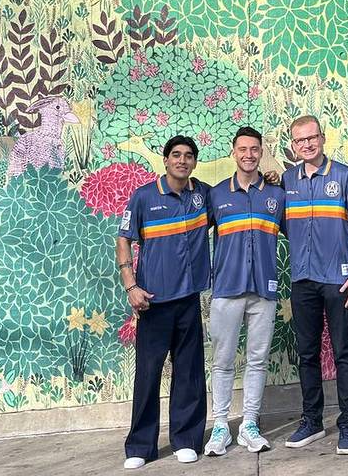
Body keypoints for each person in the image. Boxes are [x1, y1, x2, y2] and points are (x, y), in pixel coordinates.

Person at [116, 135, 211, 470]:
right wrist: (131, 287)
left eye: (188, 156)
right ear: (165, 159)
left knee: (189, 372)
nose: (182, 160)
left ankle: (186, 439)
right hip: (152, 302)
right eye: (176, 155)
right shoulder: (144, 197)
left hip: (188, 299)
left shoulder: (202, 195)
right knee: (148, 374)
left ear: (194, 162)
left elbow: (235, 199)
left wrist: (268, 178)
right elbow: (123, 239)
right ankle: (141, 445)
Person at [282, 115, 348, 455]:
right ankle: (312, 421)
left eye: (312, 137)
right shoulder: (287, 181)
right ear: (293, 145)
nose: (307, 144)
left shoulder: (345, 176)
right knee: (307, 354)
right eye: (300, 140)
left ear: (322, 137)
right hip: (302, 280)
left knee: (344, 353)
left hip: (338, 280)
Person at [203, 126, 286, 457]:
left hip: (264, 290)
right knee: (222, 361)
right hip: (226, 289)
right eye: (243, 149)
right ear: (233, 151)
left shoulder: (277, 195)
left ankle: (249, 424)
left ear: (261, 151)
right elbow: (193, 237)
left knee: (257, 359)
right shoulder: (217, 195)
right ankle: (221, 426)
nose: (249, 154)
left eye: (255, 149)